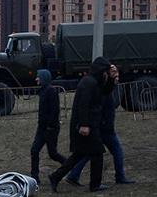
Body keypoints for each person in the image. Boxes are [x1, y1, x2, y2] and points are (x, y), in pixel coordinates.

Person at [48, 57, 112, 193]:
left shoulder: (92, 81)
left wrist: (112, 79)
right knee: (97, 153)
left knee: (78, 155)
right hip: (86, 125)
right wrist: (84, 124)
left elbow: (105, 92)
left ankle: (55, 176)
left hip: (88, 124)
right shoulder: (89, 83)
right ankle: (95, 184)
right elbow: (83, 105)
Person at [66, 64, 135, 186]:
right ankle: (119, 176)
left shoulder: (102, 85)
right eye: (114, 73)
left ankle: (73, 175)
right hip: (104, 127)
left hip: (101, 126)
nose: (117, 76)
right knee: (116, 151)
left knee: (88, 153)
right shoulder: (102, 87)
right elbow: (101, 107)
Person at [30, 69, 66, 184]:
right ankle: (34, 176)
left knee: (53, 154)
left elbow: (54, 111)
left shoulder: (51, 91)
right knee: (34, 150)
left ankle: (68, 164)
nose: (36, 79)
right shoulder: (43, 91)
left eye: (38, 77)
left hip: (50, 129)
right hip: (42, 128)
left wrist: (50, 126)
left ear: (44, 78)